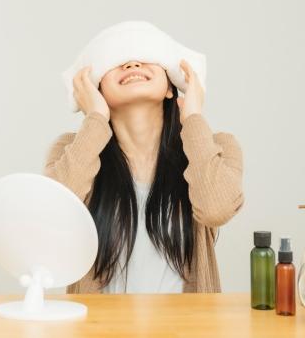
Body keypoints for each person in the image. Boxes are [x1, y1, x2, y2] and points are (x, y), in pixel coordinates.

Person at [44, 58, 243, 294]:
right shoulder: (70, 151)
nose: (132, 64)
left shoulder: (216, 148)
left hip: (187, 319)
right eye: (117, 60)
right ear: (98, 91)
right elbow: (53, 216)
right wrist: (95, 118)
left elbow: (216, 209)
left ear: (170, 88)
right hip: (100, 319)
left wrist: (192, 117)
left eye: (147, 57)